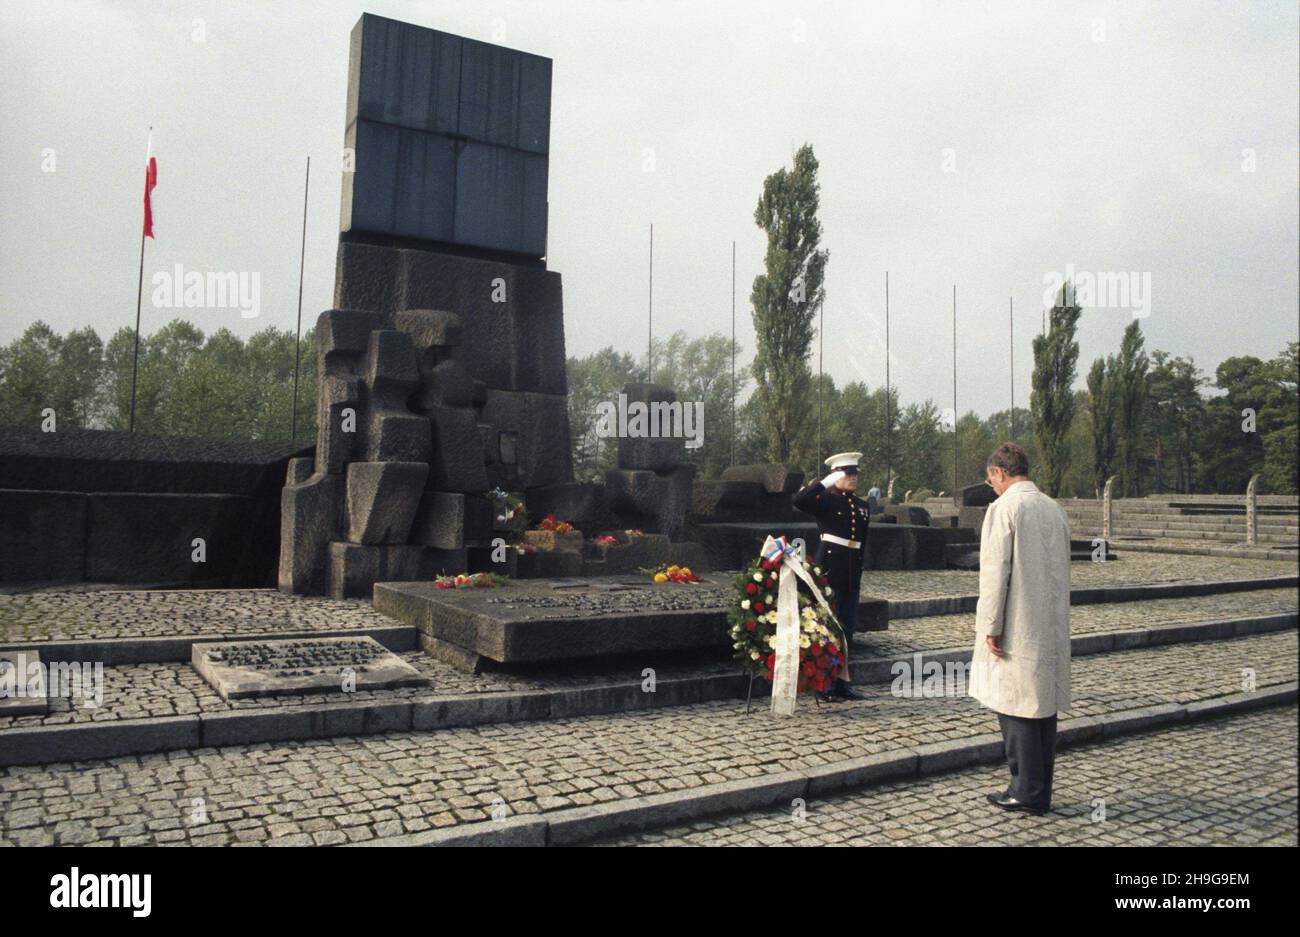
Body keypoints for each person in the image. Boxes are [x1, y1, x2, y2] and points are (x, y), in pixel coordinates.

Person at [968, 442, 1071, 816]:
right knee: (1042, 706)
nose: (991, 485)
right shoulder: (1052, 507)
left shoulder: (1005, 508)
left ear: (1000, 472)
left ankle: (1024, 790)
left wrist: (990, 626)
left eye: (990, 478)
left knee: (1016, 706)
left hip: (1017, 621)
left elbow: (996, 573)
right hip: (1048, 620)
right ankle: (1038, 788)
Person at [792, 451, 870, 702]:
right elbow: (800, 500)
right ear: (836, 475)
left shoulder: (862, 506)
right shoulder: (824, 500)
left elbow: (862, 542)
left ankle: (841, 683)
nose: (853, 478)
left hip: (851, 573)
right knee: (826, 628)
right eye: (847, 474)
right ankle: (823, 683)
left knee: (847, 630)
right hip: (829, 570)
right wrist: (825, 482)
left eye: (855, 473)